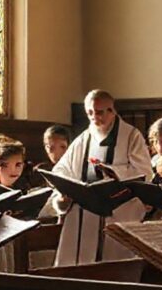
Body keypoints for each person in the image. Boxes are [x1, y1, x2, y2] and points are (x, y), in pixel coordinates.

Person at [52, 89, 153, 266]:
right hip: (84, 212)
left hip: (119, 209)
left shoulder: (130, 136)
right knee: (79, 266)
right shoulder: (84, 139)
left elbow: (144, 171)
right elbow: (62, 169)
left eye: (99, 112)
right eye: (90, 112)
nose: (94, 117)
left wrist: (114, 172)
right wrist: (64, 192)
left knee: (114, 265)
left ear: (112, 111)